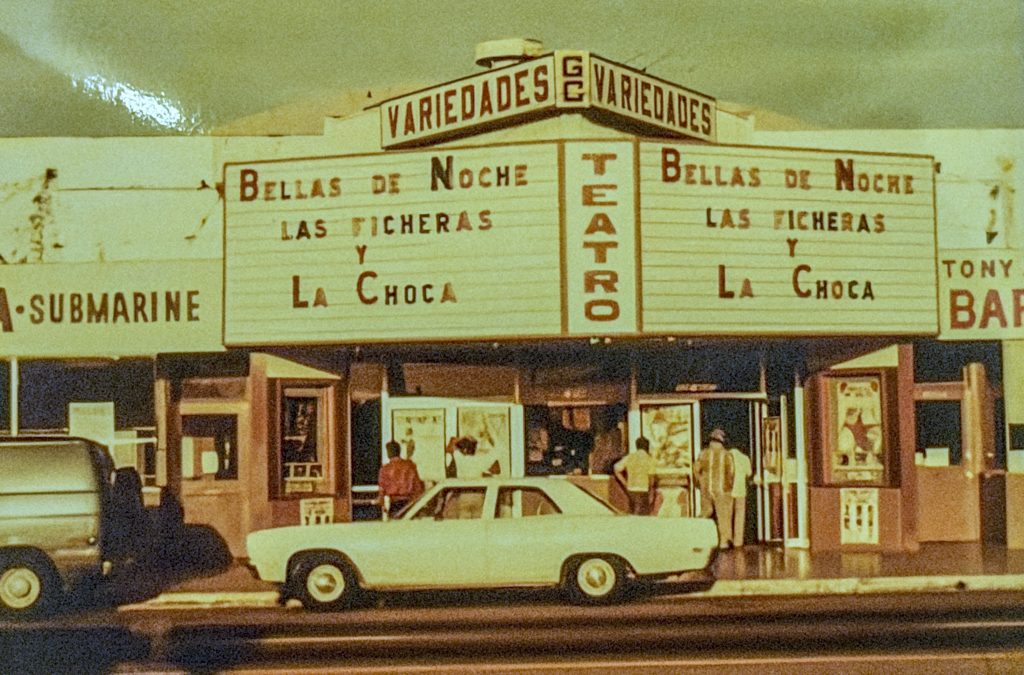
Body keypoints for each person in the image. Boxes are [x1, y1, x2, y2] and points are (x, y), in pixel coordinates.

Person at [694, 428, 735, 548]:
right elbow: (731, 473)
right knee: (723, 517)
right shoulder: (727, 455)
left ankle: (701, 538)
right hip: (722, 490)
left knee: (706, 513)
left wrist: (700, 483)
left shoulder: (703, 453)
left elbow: (696, 470)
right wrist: (729, 487)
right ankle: (724, 542)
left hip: (706, 489)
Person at [378, 440, 424, 519]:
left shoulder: (385, 469)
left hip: (394, 504)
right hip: (409, 503)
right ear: (399, 451)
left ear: (388, 452)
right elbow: (417, 488)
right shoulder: (409, 466)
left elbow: (382, 491)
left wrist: (383, 505)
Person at [613, 437, 656, 515]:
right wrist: (651, 493)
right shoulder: (649, 459)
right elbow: (651, 479)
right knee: (642, 514)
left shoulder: (630, 457)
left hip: (631, 488)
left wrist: (625, 482)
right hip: (644, 489)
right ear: (647, 446)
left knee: (633, 510)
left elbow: (616, 468)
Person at [729, 445, 753, 546]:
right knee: (739, 515)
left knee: (727, 516)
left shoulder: (726, 456)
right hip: (740, 489)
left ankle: (727, 540)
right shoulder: (744, 458)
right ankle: (738, 542)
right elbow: (749, 473)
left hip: (728, 490)